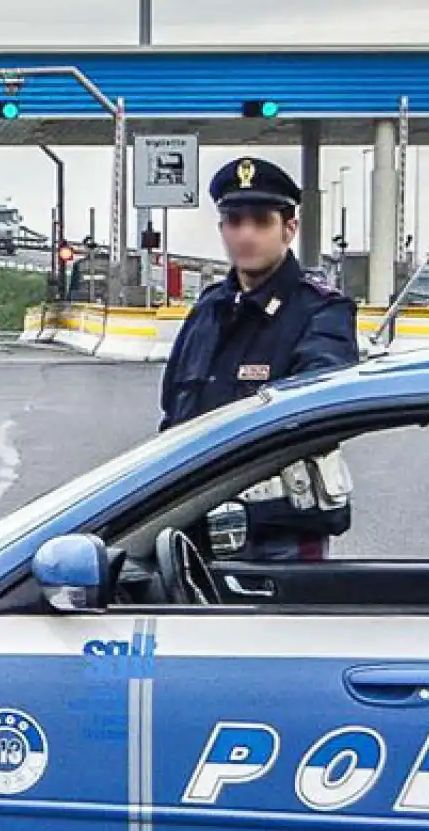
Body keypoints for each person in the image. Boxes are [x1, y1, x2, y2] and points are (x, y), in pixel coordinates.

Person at [160, 156, 361, 560]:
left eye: (260, 220)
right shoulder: (207, 312)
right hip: (197, 528)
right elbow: (172, 418)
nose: (246, 234)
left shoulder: (321, 312)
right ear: (222, 229)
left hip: (278, 537)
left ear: (289, 228)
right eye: (234, 221)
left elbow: (318, 414)